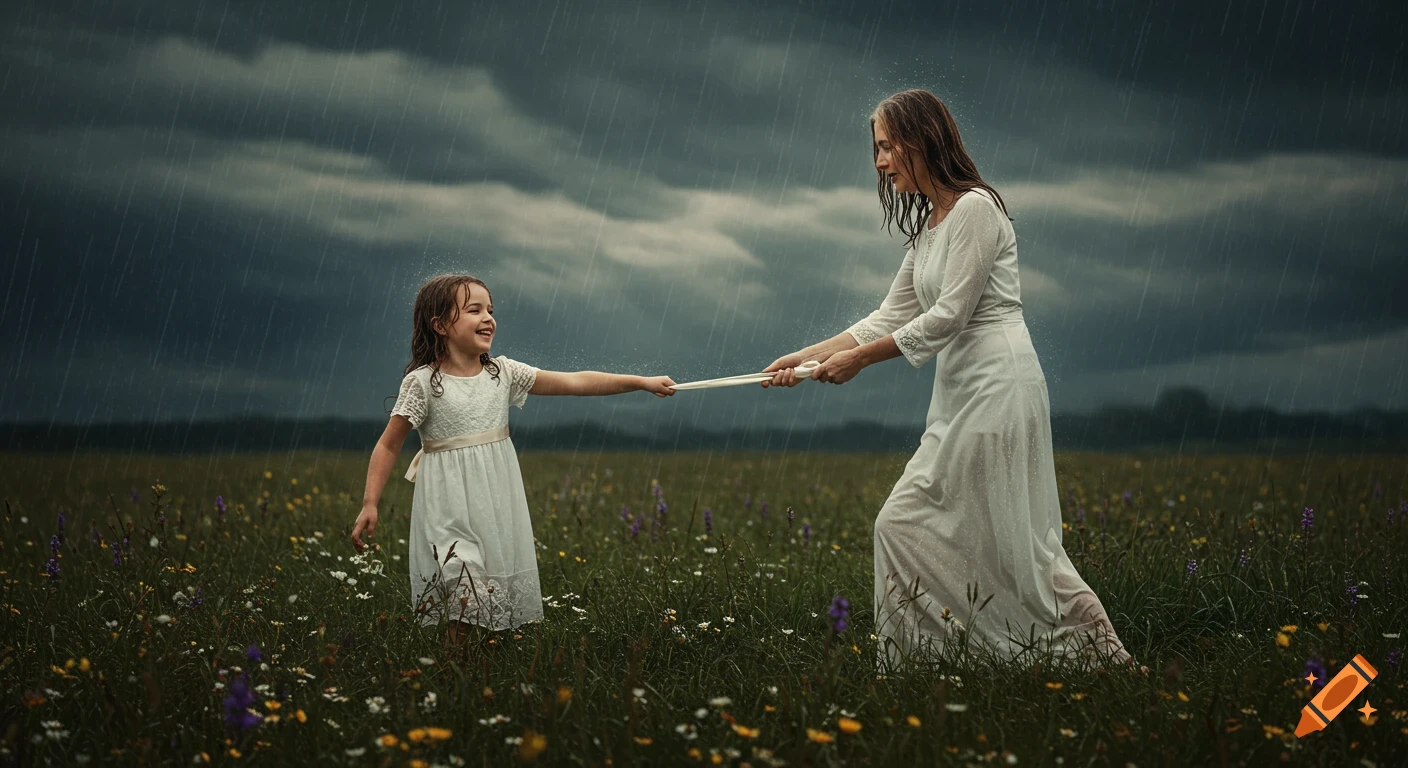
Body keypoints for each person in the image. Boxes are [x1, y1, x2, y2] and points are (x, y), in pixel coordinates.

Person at [763, 90, 1140, 671]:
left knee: (1021, 548)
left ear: (921, 140)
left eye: (887, 147)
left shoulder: (976, 210)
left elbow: (949, 316)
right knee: (902, 525)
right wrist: (801, 358)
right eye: (877, 149)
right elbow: (884, 318)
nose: (879, 162)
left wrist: (861, 362)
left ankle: (1103, 659)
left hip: (999, 387)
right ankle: (929, 664)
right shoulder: (930, 231)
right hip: (958, 394)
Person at [351, 273, 675, 645]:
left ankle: (475, 678)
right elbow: (389, 444)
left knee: (485, 604)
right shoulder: (423, 383)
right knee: (462, 582)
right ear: (439, 324)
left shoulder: (502, 373)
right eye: (474, 310)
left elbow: (575, 382)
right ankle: (453, 679)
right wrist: (370, 502)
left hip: (496, 504)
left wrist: (640, 382)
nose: (488, 317)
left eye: (490, 309)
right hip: (447, 506)